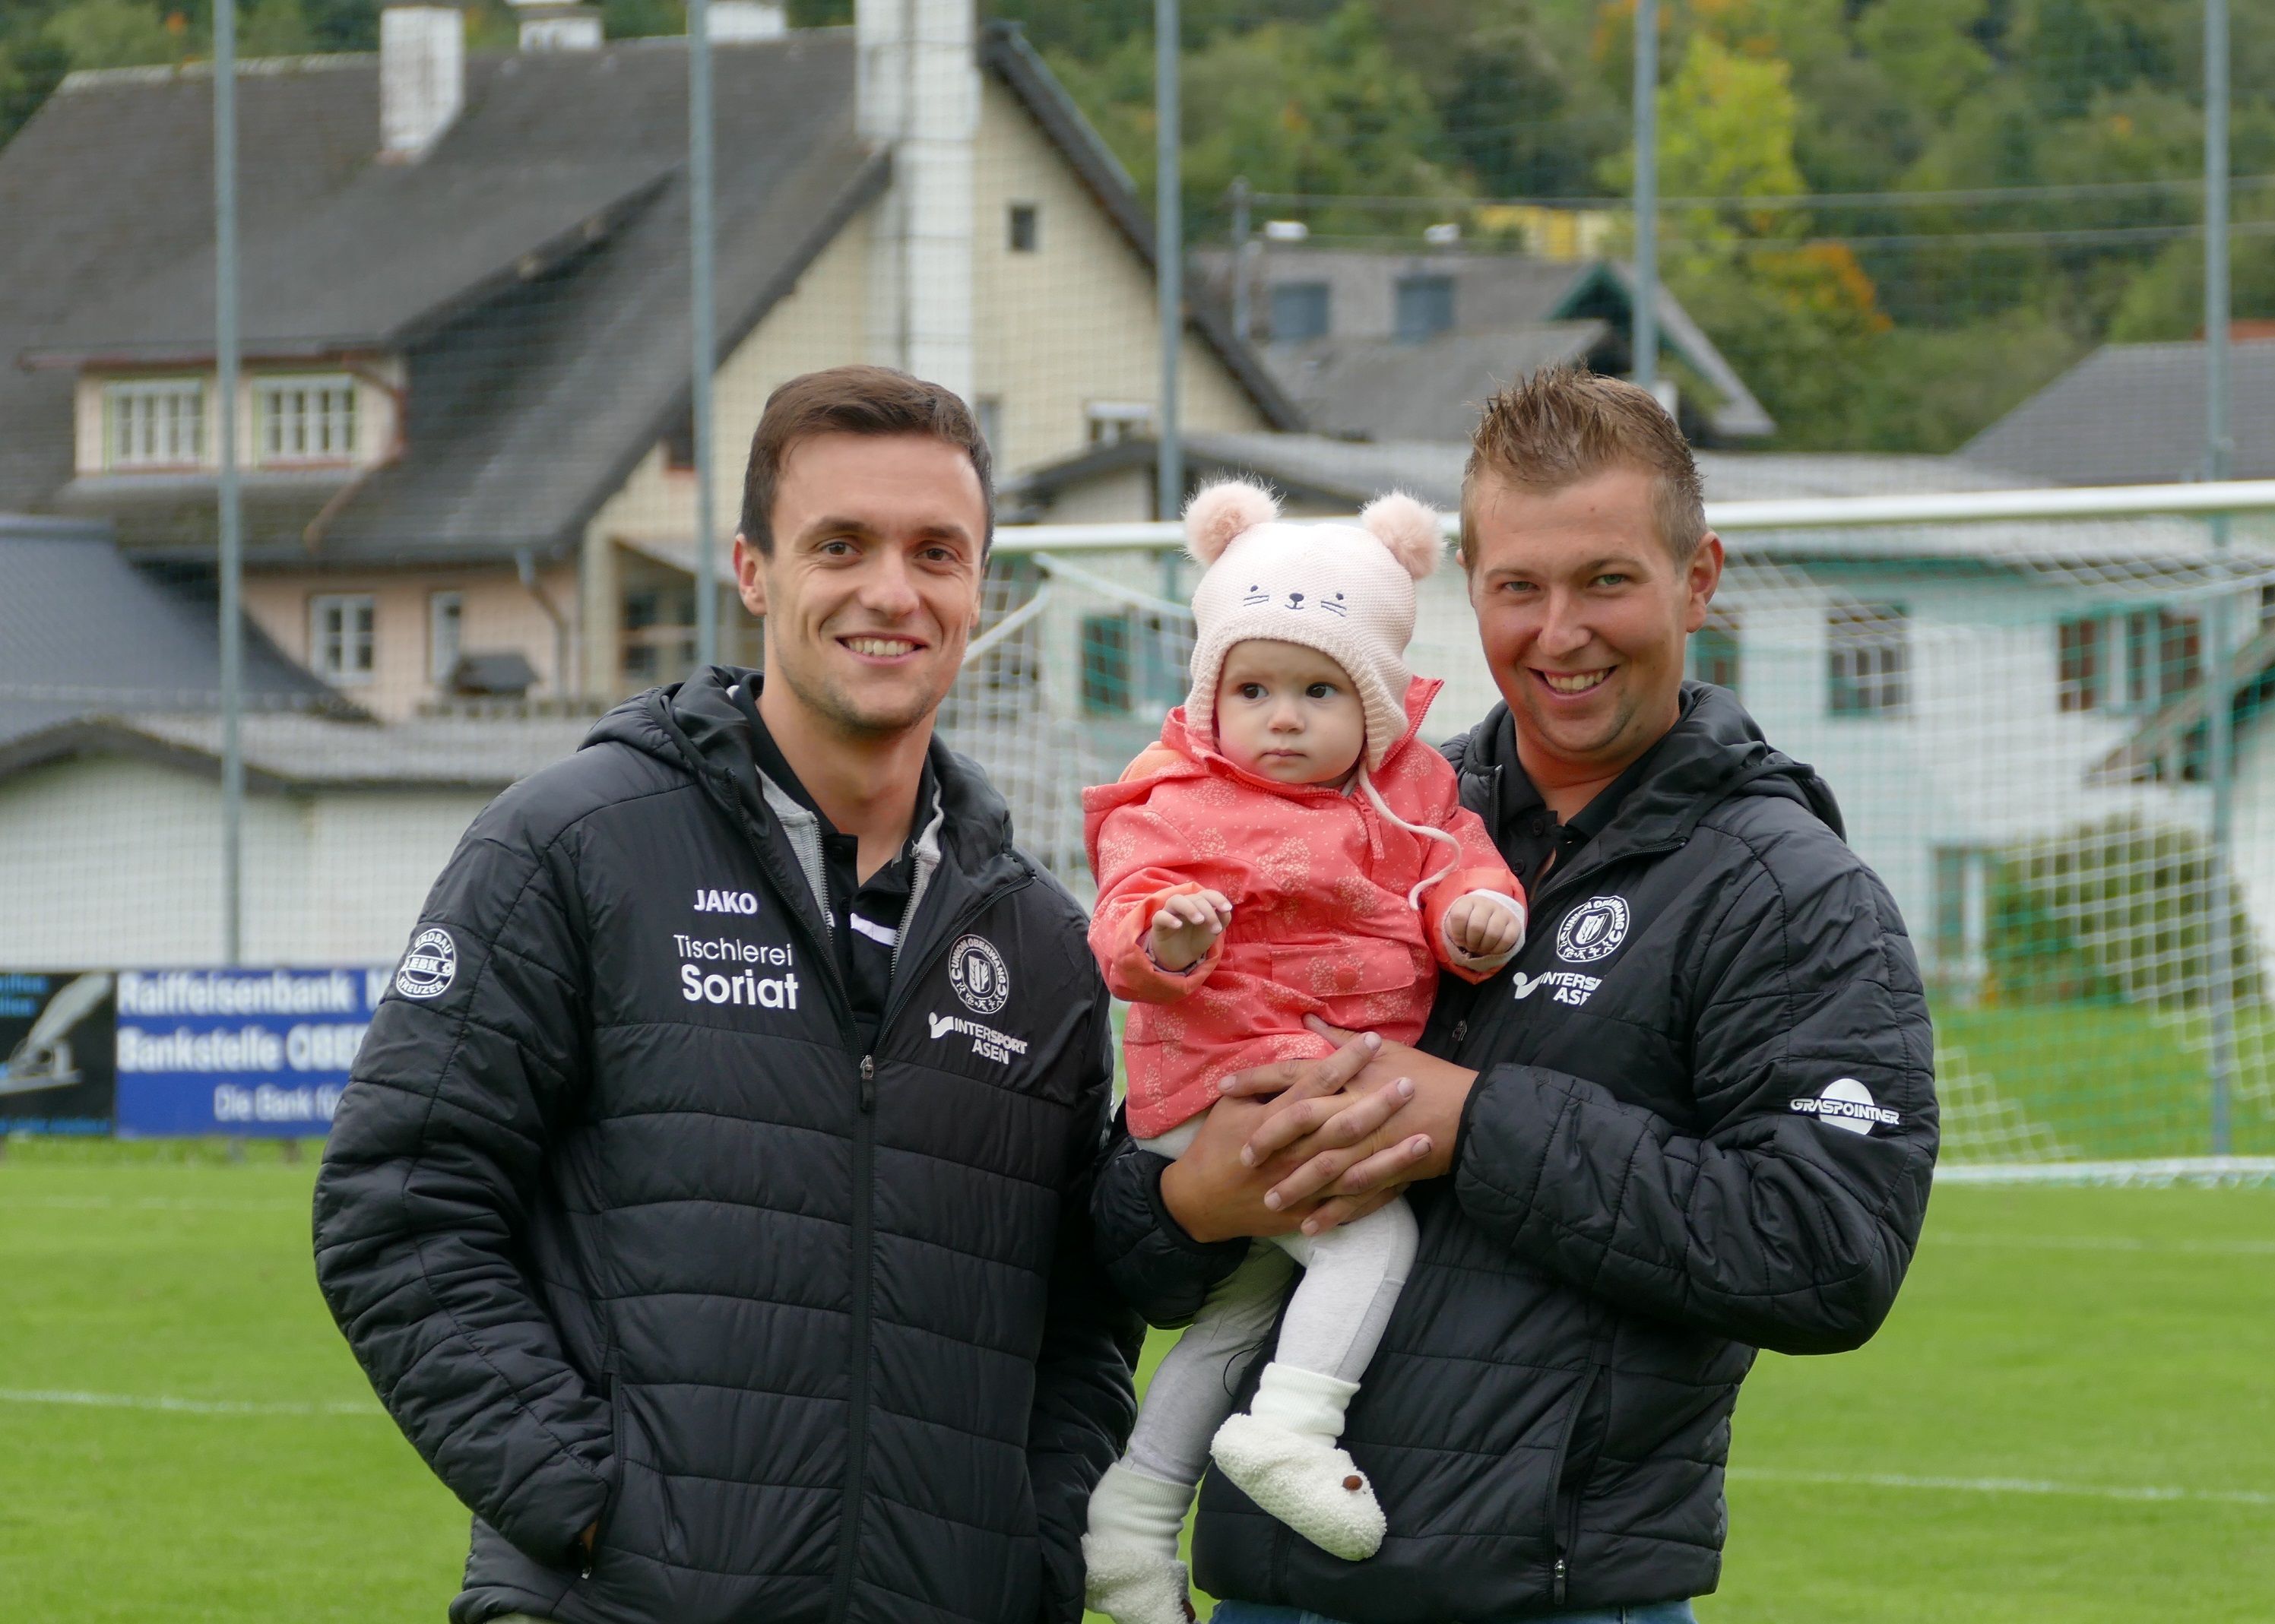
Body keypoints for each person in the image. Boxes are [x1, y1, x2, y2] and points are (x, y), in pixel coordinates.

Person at [1092, 368, 1939, 1624]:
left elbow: (1824, 1252)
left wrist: (1473, 1121)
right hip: (1271, 1591)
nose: (1560, 631)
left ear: (1697, 579)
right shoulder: (1352, 816)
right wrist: (1185, 1200)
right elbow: (1130, 1248)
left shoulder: (1786, 888)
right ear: (1468, 590)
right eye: (1518, 588)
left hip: (1558, 1601)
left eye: (1605, 580)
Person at [313, 365, 1140, 1624]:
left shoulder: (1044, 943)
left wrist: (1029, 1551)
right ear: (752, 571)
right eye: (840, 544)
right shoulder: (573, 843)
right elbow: (398, 1205)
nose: (892, 590)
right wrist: (591, 1505)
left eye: (935, 551)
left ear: (979, 584)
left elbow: (1079, 1318)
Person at [1079, 486, 1526, 1624]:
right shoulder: (1178, 793)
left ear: (1371, 703)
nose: (1282, 718)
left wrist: (1477, 917)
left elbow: (1457, 866)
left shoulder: (1412, 793)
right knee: (1373, 1240)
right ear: (1211, 695)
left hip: (1312, 1076)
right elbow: (1126, 906)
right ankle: (1292, 1429)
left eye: (1318, 691)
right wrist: (1168, 936)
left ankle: (1129, 1525)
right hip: (1221, 1080)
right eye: (1254, 690)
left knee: (1240, 1313)